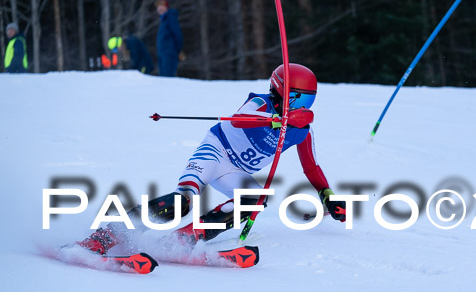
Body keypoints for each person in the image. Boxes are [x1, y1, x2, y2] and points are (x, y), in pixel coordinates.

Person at [78, 63, 347, 255]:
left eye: (309, 102)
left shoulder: (302, 132)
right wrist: (277, 121)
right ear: (282, 92)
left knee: (255, 200)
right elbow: (241, 120)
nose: (303, 108)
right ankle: (107, 235)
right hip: (215, 152)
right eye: (299, 100)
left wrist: (327, 194)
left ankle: (187, 237)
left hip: (236, 172)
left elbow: (311, 166)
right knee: (183, 200)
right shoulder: (260, 104)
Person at [155, 0, 183, 77]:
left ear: (167, 7)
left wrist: (177, 50)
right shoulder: (163, 20)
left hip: (169, 53)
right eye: (158, 6)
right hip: (162, 53)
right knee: (162, 78)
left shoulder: (170, 18)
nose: (160, 8)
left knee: (167, 79)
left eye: (162, 5)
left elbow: (177, 34)